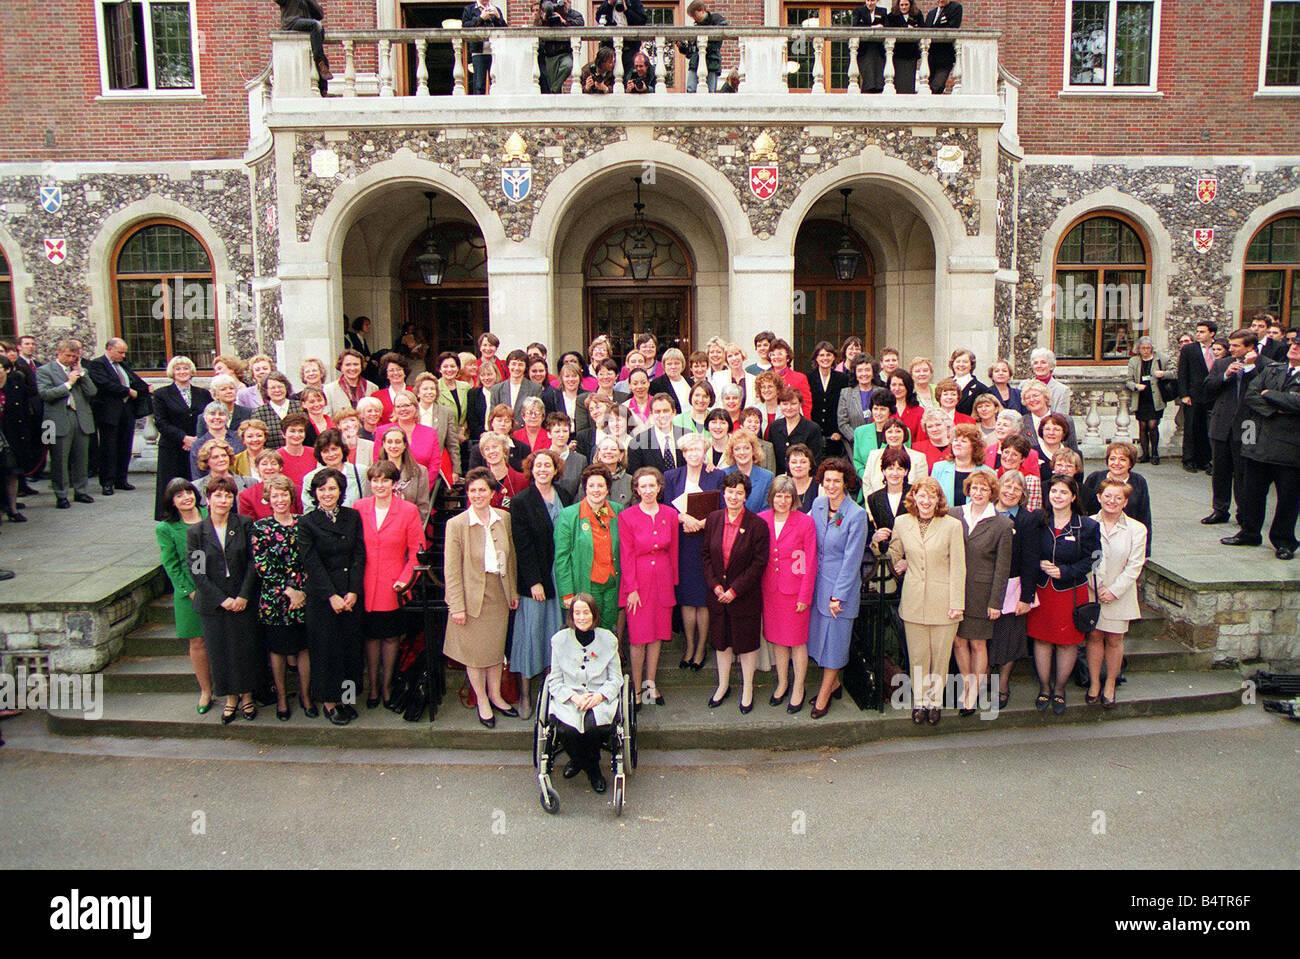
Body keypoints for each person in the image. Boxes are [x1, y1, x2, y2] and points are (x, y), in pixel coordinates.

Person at [883, 476, 964, 725]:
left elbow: (959, 567)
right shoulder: (902, 522)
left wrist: (957, 603)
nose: (926, 501)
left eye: (931, 496)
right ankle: (919, 701)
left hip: (944, 600)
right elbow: (893, 555)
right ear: (914, 497)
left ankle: (934, 702)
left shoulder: (952, 525)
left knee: (940, 656)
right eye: (922, 495)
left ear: (938, 499)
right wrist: (879, 545)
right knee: (918, 655)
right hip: (914, 599)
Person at [444, 467, 520, 727]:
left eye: (482, 490)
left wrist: (512, 591)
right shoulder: (456, 525)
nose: (477, 495)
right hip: (470, 595)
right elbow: (451, 569)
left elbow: (511, 560)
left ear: (491, 493)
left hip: (498, 593)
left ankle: (497, 695)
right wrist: (456, 605)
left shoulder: (503, 518)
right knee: (475, 654)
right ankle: (482, 700)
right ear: (467, 495)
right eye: (473, 490)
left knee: (495, 650)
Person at [187, 476, 261, 724]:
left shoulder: (244, 523)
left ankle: (248, 696)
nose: (224, 500)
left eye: (228, 495)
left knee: (245, 648)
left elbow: (253, 562)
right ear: (208, 500)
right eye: (218, 495)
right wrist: (221, 599)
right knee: (220, 650)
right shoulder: (196, 532)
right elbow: (197, 571)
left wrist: (242, 595)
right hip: (213, 602)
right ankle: (230, 698)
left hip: (242, 597)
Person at [1027, 475, 1101, 714]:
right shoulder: (1038, 520)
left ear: (1073, 496)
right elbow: (1027, 550)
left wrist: (1065, 571)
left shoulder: (1087, 526)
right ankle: (1044, 687)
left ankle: (1059, 689)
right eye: (1054, 491)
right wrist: (1038, 564)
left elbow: (1093, 559)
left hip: (1070, 591)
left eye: (1062, 492)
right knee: (1042, 639)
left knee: (1067, 642)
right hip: (1042, 590)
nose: (1057, 496)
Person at [297, 468, 365, 725]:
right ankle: (329, 702)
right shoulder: (306, 522)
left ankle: (346, 698)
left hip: (349, 595)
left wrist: (353, 591)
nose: (328, 493)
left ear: (340, 491)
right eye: (323, 489)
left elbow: (359, 554)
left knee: (349, 649)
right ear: (315, 492)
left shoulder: (352, 516)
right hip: (323, 597)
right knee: (327, 650)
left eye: (333, 488)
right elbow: (311, 562)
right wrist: (332, 596)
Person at [355, 460, 424, 710]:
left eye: (385, 480)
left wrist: (406, 580)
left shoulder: (408, 510)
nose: (380, 485)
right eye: (375, 480)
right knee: (370, 639)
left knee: (391, 638)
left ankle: (386, 686)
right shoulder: (358, 507)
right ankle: (372, 686)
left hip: (393, 585)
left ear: (394, 484)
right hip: (363, 584)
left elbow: (417, 550)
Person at [701, 471, 770, 713]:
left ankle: (748, 688)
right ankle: (723, 685)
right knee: (721, 643)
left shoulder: (757, 524)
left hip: (745, 597)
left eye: (739, 492)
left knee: (746, 644)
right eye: (730, 491)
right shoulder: (713, 519)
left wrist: (735, 590)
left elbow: (759, 564)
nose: (733, 496)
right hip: (718, 595)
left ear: (746, 496)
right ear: (723, 492)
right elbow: (706, 557)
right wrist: (716, 586)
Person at [510, 450, 570, 717]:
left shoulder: (565, 496)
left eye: (548, 465)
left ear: (555, 469)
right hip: (536, 580)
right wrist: (534, 581)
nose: (543, 469)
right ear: (531, 470)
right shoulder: (521, 501)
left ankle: (552, 693)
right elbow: (522, 547)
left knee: (556, 634)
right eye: (538, 466)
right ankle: (525, 695)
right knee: (531, 634)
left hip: (562, 576)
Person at [807, 458, 867, 718]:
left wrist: (838, 596)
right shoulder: (818, 504)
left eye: (836, 481)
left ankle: (823, 695)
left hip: (840, 590)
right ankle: (835, 684)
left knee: (834, 643)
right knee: (820, 639)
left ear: (846, 484)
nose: (831, 485)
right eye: (827, 480)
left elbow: (852, 560)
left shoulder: (856, 514)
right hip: (817, 585)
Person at [1229, 339, 1300, 560]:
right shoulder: (1273, 369)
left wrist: (1269, 395)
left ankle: (1284, 540)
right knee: (1252, 492)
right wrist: (1275, 409)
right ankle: (1249, 532)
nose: (1295, 346)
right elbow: (1251, 395)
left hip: (1290, 449)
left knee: (1288, 498)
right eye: (1294, 343)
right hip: (1260, 444)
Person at [546, 594, 622, 794]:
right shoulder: (559, 640)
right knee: (567, 729)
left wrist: (600, 696)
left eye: (586, 612)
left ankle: (593, 768)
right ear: (571, 616)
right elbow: (554, 680)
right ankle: (580, 760)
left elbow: (616, 679)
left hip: (598, 696)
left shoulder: (608, 639)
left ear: (594, 614)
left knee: (594, 728)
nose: (581, 617)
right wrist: (574, 697)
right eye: (577, 613)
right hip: (570, 696)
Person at [249, 475, 310, 722]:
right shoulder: (261, 527)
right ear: (268, 499)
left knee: (304, 647)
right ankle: (283, 698)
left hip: (304, 597)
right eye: (275, 495)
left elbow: (311, 558)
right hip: (275, 598)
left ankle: (306, 697)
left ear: (291, 497)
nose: (280, 499)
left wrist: (302, 590)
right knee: (277, 649)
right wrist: (289, 590)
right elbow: (261, 564)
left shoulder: (303, 523)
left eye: (284, 494)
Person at [618, 467, 679, 708]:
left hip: (662, 579)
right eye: (642, 486)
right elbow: (626, 553)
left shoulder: (670, 514)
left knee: (657, 635)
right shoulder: (628, 516)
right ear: (636, 489)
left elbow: (673, 550)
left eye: (651, 486)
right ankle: (635, 687)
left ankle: (650, 684)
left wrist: (672, 582)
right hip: (638, 581)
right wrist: (631, 588)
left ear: (659, 487)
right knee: (639, 638)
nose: (647, 491)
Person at [953, 469, 1012, 714]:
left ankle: (975, 689)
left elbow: (1003, 566)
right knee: (958, 640)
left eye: (984, 489)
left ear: (991, 493)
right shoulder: (954, 514)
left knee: (978, 643)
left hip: (982, 591)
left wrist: (995, 602)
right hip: (955, 590)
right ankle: (967, 683)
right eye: (974, 488)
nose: (978, 493)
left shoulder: (1002, 523)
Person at [1086, 478, 1148, 707]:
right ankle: (1094, 683)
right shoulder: (1088, 524)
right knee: (1094, 637)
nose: (1112, 501)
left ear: (1126, 502)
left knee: (1114, 639)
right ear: (1099, 497)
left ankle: (1110, 684)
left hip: (1120, 594)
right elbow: (1086, 558)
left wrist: (1113, 591)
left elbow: (1135, 565)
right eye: (1108, 496)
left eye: (1118, 498)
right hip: (1093, 590)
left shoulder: (1137, 529)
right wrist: (1097, 586)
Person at [664, 432, 723, 670]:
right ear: (683, 453)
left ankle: (701, 649)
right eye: (688, 450)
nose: (693, 454)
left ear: (705, 452)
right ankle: (689, 645)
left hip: (707, 541)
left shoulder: (716, 475)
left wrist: (702, 522)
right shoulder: (671, 476)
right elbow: (667, 505)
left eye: (698, 450)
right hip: (683, 542)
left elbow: (721, 506)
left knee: (703, 599)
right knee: (687, 600)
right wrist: (683, 518)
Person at [760, 474, 817, 710]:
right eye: (778, 496)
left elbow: (810, 561)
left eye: (787, 496)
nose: (782, 501)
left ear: (793, 498)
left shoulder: (805, 522)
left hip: (794, 592)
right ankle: (782, 683)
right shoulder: (761, 519)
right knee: (777, 641)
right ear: (771, 498)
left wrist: (805, 595)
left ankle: (798, 686)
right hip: (770, 591)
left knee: (796, 642)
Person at [156, 478, 212, 714]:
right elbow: (171, 563)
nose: (186, 497)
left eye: (189, 492)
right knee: (197, 641)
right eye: (179, 495)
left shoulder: (210, 513)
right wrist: (188, 590)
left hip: (218, 586)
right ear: (172, 501)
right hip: (189, 591)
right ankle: (206, 690)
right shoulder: (166, 527)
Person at [988, 469, 1040, 709]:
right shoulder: (985, 511)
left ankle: (1002, 685)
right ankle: (982, 682)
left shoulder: (1027, 519)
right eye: (1007, 486)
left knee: (1009, 638)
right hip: (985, 586)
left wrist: (1026, 596)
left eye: (1016, 489)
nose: (1010, 492)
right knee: (985, 637)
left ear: (1023, 495)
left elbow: (1031, 560)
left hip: (1013, 586)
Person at [1201, 329, 1259, 525]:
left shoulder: (1264, 365)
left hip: (1248, 425)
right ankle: (1220, 509)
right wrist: (1225, 375)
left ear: (1250, 347)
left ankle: (1245, 512)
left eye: (1236, 346)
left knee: (1244, 471)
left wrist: (1250, 368)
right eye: (1231, 345)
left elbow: (1261, 391)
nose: (1231, 349)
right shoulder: (1222, 363)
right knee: (1220, 469)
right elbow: (1208, 388)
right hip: (1222, 422)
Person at [37, 338, 98, 510]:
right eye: (68, 356)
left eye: (74, 356)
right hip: (57, 419)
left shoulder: (80, 370)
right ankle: (61, 494)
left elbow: (92, 392)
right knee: (60, 459)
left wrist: (82, 375)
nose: (71, 359)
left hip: (81, 417)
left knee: (81, 457)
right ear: (59, 353)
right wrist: (68, 383)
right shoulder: (45, 371)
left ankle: (80, 490)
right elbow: (45, 394)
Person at [87, 337, 149, 497]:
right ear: (109, 349)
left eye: (124, 353)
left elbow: (134, 379)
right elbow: (105, 384)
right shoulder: (97, 364)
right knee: (109, 447)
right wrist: (127, 391)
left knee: (125, 445)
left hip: (126, 410)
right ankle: (107, 482)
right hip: (108, 412)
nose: (123, 356)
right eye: (120, 352)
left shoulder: (122, 365)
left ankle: (121, 479)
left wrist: (146, 388)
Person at [1081, 442, 1152, 555]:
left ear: (1130, 463)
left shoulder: (1139, 482)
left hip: (1126, 538)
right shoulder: (1095, 478)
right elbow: (1082, 509)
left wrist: (1146, 550)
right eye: (1112, 459)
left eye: (1122, 460)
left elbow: (1144, 514)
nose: (1116, 463)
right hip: (1097, 536)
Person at [377, 389, 442, 490]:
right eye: (399, 406)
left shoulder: (430, 433)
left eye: (407, 405)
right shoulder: (382, 431)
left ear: (416, 407)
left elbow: (434, 466)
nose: (403, 409)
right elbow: (377, 462)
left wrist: (421, 489)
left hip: (421, 490)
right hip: (388, 490)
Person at [1177, 321, 1219, 473]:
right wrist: (1184, 394)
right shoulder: (1189, 349)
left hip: (1213, 395)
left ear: (1211, 333)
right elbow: (1182, 373)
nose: (1198, 334)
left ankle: (1204, 460)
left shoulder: (1219, 347)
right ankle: (1189, 459)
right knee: (1191, 427)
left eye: (1202, 332)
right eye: (1198, 331)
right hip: (1193, 395)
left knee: (1208, 428)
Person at [1126, 336, 1173, 465]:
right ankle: (1145, 453)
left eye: (1148, 348)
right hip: (1141, 398)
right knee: (1142, 426)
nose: (1146, 351)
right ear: (1138, 349)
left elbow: (1174, 372)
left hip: (1156, 398)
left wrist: (1163, 374)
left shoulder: (1161, 358)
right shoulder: (1134, 361)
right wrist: (1135, 386)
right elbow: (1128, 380)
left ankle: (1155, 453)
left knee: (1152, 425)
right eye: (1143, 348)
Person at [376, 426, 432, 522]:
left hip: (409, 526)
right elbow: (369, 504)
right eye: (389, 442)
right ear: (384, 445)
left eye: (398, 442)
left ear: (405, 445)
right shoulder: (375, 472)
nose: (393, 446)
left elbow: (423, 507)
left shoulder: (420, 472)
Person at [860, 416, 927, 494]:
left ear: (904, 434)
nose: (894, 435)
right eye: (890, 432)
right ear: (884, 435)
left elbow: (921, 487)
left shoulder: (919, 458)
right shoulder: (873, 455)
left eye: (898, 431)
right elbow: (867, 484)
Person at [302, 429, 367, 509]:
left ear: (342, 449)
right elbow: (309, 510)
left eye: (334, 449)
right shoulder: (310, 478)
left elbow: (366, 503)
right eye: (325, 451)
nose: (331, 454)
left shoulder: (360, 472)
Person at [276, 0, 332, 88]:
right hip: (292, 22)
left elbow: (319, 14)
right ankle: (320, 62)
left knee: (319, 29)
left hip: (306, 25)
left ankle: (322, 83)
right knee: (316, 26)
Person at [808, 341, 849, 457]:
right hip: (813, 434)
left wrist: (839, 431)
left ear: (834, 357)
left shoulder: (842, 379)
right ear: (816, 358)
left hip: (835, 436)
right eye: (821, 355)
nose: (825, 358)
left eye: (828, 355)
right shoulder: (808, 378)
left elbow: (845, 407)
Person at [535, 0, 586, 94]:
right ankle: (554, 92)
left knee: (568, 65)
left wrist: (564, 21)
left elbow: (580, 24)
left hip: (564, 52)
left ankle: (553, 90)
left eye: (566, 1)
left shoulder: (574, 14)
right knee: (551, 82)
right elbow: (537, 25)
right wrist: (544, 18)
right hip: (550, 54)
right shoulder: (550, 12)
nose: (564, 3)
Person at [628, 393, 685, 474]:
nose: (662, 415)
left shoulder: (687, 435)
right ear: (651, 414)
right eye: (657, 412)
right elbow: (636, 477)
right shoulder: (637, 443)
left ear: (674, 412)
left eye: (666, 411)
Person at [931, 422, 985, 507]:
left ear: (974, 447)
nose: (957, 444)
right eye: (955, 440)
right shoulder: (939, 468)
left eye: (963, 441)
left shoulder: (987, 472)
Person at [676, 0, 727, 91]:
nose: (694, 19)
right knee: (690, 88)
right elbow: (691, 52)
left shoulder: (716, 19)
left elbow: (723, 30)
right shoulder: (696, 28)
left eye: (695, 15)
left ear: (702, 10)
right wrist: (682, 48)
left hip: (712, 61)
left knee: (710, 90)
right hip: (696, 62)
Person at [238, 450, 303, 520]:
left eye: (274, 464)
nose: (269, 468)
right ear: (257, 468)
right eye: (264, 464)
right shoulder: (247, 496)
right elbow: (248, 525)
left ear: (281, 467)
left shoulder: (296, 490)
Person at [461, 0, 506, 95]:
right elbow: (465, 27)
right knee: (479, 84)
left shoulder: (495, 10)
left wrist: (498, 17)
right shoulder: (469, 9)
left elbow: (505, 30)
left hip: (495, 52)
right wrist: (480, 18)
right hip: (478, 52)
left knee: (496, 83)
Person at [837, 356, 878, 460]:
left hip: (878, 444)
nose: (864, 374)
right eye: (860, 370)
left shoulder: (881, 392)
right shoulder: (846, 393)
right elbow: (842, 423)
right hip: (854, 446)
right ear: (855, 374)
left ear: (873, 373)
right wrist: (858, 439)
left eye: (867, 370)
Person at [722, 430, 773, 512]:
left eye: (746, 448)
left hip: (757, 523)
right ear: (732, 453)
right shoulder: (723, 474)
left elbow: (766, 510)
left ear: (753, 450)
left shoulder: (767, 477)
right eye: (737, 449)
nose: (742, 452)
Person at [249, 372, 304, 450]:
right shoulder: (259, 413)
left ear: (286, 388)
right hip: (272, 458)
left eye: (280, 387)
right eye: (272, 388)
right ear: (266, 391)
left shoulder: (300, 407)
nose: (277, 390)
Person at [190, 402, 244, 479]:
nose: (217, 417)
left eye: (221, 414)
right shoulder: (198, 445)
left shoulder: (240, 438)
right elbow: (197, 476)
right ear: (205, 418)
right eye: (212, 414)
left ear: (227, 418)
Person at [594, 0, 647, 77]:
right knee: (611, 75)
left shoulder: (634, 2)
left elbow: (642, 21)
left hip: (630, 47)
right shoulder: (607, 3)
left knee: (629, 74)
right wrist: (609, 4)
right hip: (610, 47)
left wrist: (626, 10)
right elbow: (598, 17)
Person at [923, 0, 962, 93]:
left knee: (937, 86)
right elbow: (925, 30)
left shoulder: (955, 8)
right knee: (927, 87)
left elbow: (952, 26)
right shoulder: (931, 14)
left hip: (945, 56)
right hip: (931, 56)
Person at [325, 348, 377, 418]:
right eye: (348, 365)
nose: (352, 368)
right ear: (341, 367)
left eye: (356, 364)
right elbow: (328, 418)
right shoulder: (329, 390)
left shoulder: (373, 388)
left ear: (361, 366)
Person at [851, 0, 889, 93]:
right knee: (867, 75)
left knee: (879, 74)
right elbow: (855, 26)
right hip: (865, 49)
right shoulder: (858, 11)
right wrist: (872, 27)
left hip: (878, 48)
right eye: (868, 0)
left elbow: (887, 26)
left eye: (872, 0)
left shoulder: (883, 11)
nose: (869, 3)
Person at [1021, 348, 1072, 416]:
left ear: (1051, 366)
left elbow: (1062, 418)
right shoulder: (1024, 385)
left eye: (1043, 362)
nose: (1039, 366)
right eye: (1036, 363)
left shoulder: (1062, 390)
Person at [887, 0, 923, 93]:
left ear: (910, 5)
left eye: (906, 5)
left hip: (911, 53)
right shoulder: (891, 16)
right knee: (898, 80)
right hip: (898, 53)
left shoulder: (917, 15)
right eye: (901, 5)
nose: (903, 7)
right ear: (898, 5)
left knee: (909, 80)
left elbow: (923, 29)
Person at [276, 414, 317, 493]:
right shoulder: (277, 456)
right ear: (283, 434)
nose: (297, 435)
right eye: (292, 431)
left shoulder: (314, 453)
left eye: (300, 431)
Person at [887, 369, 925, 439]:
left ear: (908, 386)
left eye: (901, 385)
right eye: (894, 385)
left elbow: (920, 440)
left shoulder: (919, 412)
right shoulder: (883, 410)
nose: (897, 388)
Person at [947, 348, 985, 415]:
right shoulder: (944, 384)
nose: (961, 365)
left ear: (971, 365)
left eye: (965, 362)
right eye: (958, 361)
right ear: (952, 364)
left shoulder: (981, 389)